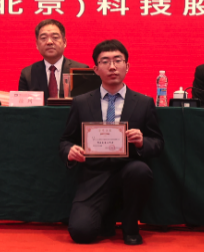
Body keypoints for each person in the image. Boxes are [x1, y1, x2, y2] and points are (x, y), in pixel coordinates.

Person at [59, 40, 164, 245]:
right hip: (94, 174)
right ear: (96, 69)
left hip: (128, 169)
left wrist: (142, 142)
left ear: (127, 66)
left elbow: (158, 143)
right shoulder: (81, 102)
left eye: (118, 60)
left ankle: (130, 225)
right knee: (81, 233)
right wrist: (70, 151)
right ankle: (106, 218)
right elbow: (65, 140)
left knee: (140, 170)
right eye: (105, 61)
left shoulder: (143, 102)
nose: (112, 66)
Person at [18, 19, 89, 99]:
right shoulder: (28, 73)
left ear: (64, 42)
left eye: (55, 37)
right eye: (43, 38)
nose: (49, 42)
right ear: (37, 44)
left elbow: (87, 103)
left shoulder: (80, 70)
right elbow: (22, 104)